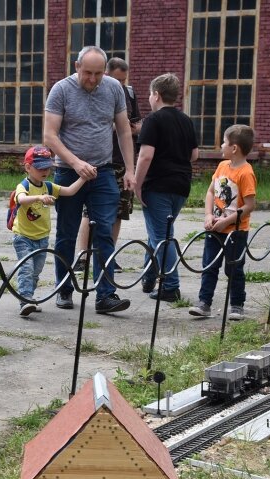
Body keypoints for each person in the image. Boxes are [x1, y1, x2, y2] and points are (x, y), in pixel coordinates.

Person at [44, 45, 135, 314]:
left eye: (98, 73)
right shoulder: (61, 90)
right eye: (87, 73)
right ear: (76, 66)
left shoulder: (113, 88)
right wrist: (75, 162)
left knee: (104, 231)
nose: (93, 79)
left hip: (104, 171)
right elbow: (50, 136)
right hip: (68, 172)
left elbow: (124, 131)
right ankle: (64, 288)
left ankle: (105, 295)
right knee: (67, 232)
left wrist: (130, 169)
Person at [129, 73, 199, 303]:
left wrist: (137, 185)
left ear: (156, 95)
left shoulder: (153, 120)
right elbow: (194, 155)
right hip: (181, 186)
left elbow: (146, 156)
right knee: (157, 233)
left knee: (162, 236)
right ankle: (149, 278)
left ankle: (170, 286)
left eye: (150, 94)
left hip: (157, 185)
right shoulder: (186, 120)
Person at [75, 57, 142, 274]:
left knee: (119, 212)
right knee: (90, 212)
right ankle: (82, 256)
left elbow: (137, 124)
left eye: (123, 80)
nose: (120, 85)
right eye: (116, 79)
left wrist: (130, 128)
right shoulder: (93, 90)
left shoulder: (129, 93)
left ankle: (108, 257)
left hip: (122, 162)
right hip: (100, 162)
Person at [188, 124, 257, 321]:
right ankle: (204, 303)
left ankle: (237, 305)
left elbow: (250, 205)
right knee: (209, 265)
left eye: (224, 142)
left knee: (234, 268)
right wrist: (208, 215)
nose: (221, 145)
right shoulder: (221, 167)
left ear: (234, 148)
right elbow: (211, 192)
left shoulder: (246, 173)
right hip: (214, 228)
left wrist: (227, 221)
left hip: (236, 232)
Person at [11, 146, 86, 316]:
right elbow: (21, 199)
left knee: (36, 272)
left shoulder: (49, 186)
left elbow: (69, 191)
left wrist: (83, 178)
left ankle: (29, 298)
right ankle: (25, 301)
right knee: (27, 268)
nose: (45, 171)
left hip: (42, 238)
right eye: (40, 168)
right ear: (28, 167)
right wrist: (39, 197)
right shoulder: (24, 186)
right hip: (23, 236)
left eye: (47, 167)